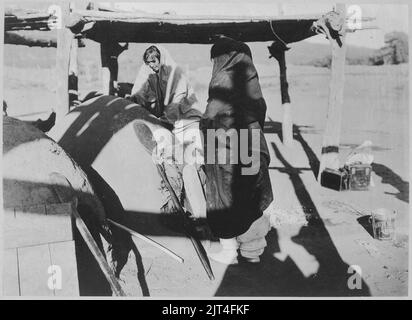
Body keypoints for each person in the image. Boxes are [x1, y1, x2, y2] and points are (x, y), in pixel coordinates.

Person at [201, 37, 274, 264]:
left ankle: (229, 251)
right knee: (251, 195)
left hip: (227, 146)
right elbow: (259, 111)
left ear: (222, 58)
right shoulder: (250, 77)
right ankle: (253, 252)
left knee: (225, 196)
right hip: (252, 142)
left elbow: (212, 116)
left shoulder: (222, 77)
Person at [131, 45, 206, 218]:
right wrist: (133, 100)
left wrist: (164, 121)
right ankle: (184, 207)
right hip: (174, 123)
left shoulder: (175, 75)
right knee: (175, 161)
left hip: (189, 120)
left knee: (192, 164)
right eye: (149, 63)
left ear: (161, 59)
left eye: (154, 62)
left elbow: (176, 103)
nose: (152, 66)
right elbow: (142, 91)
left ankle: (202, 210)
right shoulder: (154, 75)